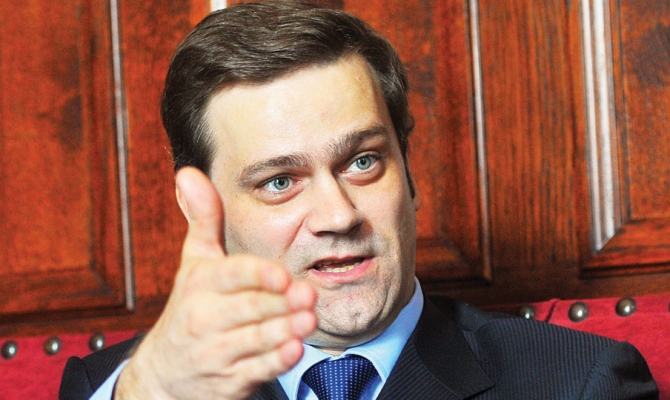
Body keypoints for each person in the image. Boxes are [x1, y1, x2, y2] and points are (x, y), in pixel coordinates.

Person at [59, 1, 658, 399]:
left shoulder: (581, 383)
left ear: (408, 172)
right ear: (202, 212)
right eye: (279, 181)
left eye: (363, 162)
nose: (339, 215)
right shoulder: (121, 387)